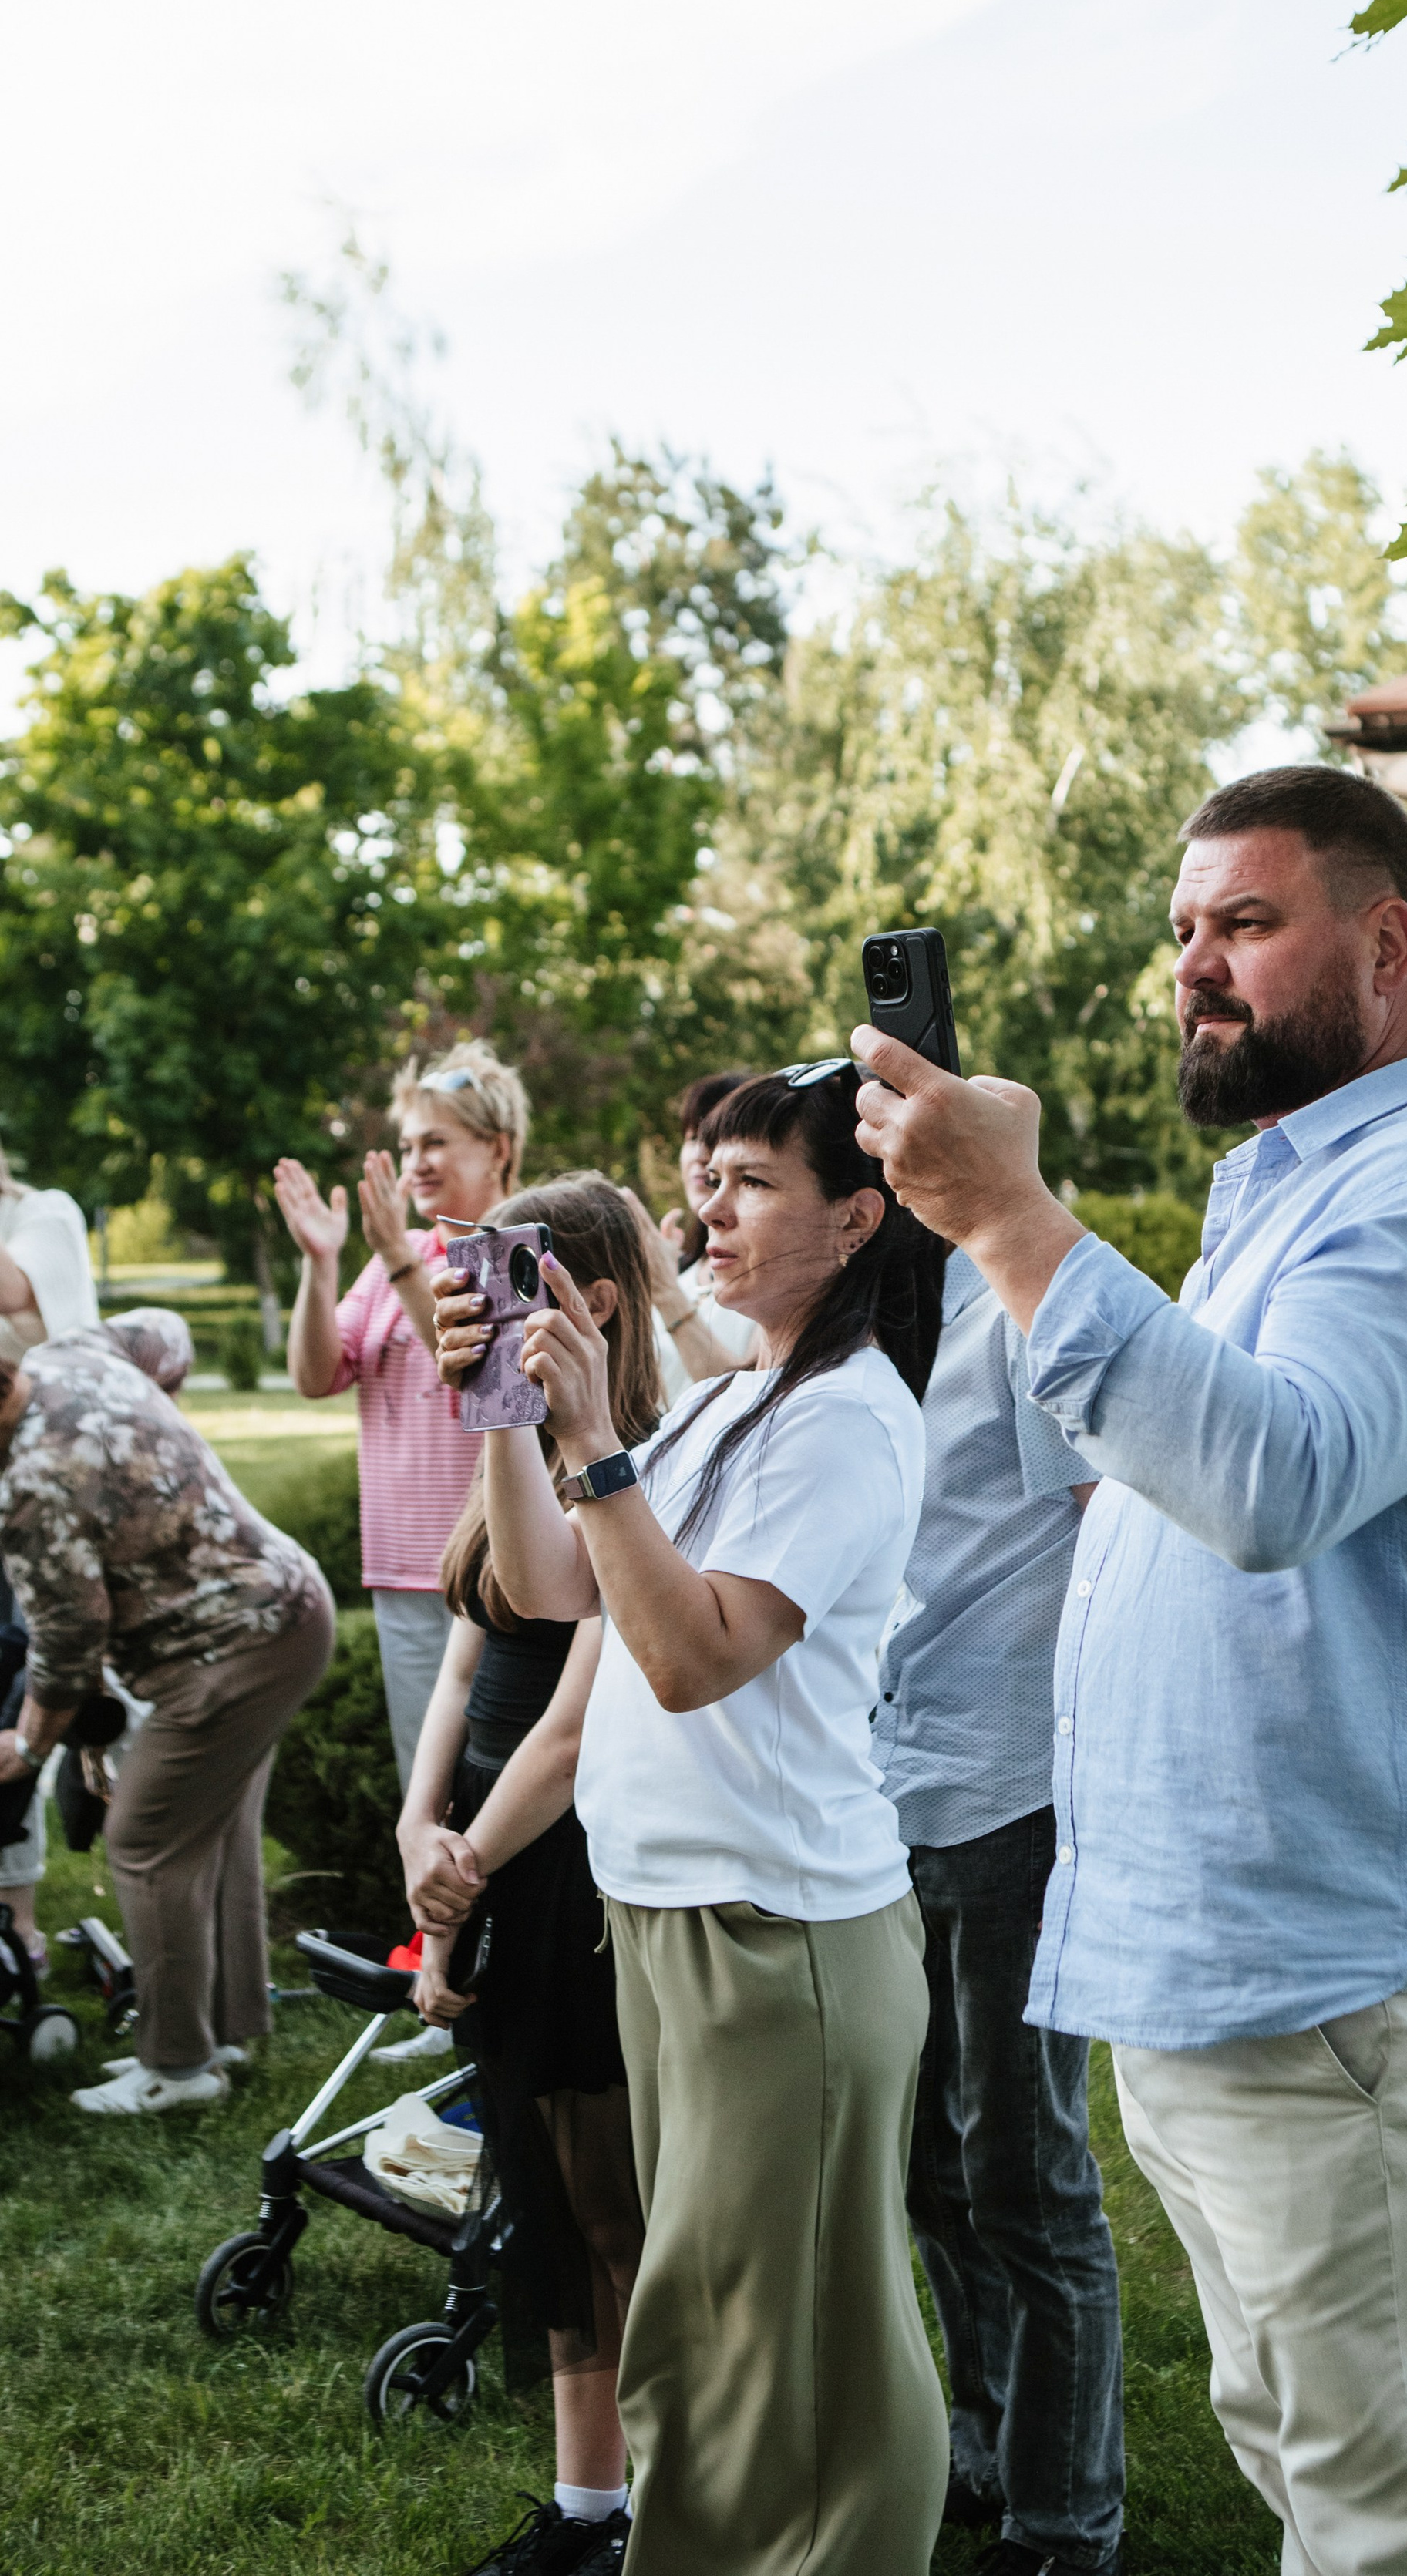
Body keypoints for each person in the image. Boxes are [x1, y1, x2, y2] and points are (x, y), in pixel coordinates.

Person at [852, 764, 1407, 2576]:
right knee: (1307, 2463)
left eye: (1244, 925)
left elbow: (1272, 1478)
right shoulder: (1275, 1193)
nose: (1196, 966)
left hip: (1336, 1969)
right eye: (1183, 930)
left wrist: (1013, 1225)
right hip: (1211, 1969)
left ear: (1386, 942)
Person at [436, 1061, 951, 2576]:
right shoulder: (737, 1399)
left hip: (772, 1936)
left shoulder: (843, 1422)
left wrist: (593, 1435)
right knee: (734, 2328)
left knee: (763, 2344)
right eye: (700, 1180)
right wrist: (505, 1412)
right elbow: (550, 1587)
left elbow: (688, 1655)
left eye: (746, 1184)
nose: (702, 1212)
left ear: (857, 1219)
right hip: (672, 1924)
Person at [399, 1175, 658, 2576]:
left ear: (593, 1302)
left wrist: (469, 1868)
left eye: (511, 1283)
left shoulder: (634, 1466)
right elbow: (461, 1665)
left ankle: (629, 2512)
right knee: (540, 2206)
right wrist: (416, 1834)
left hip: (559, 1870)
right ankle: (584, 2508)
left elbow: (570, 1727)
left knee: (599, 2207)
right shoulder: (505, 1459)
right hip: (477, 1854)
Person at [872, 1255, 1125, 2576]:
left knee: (1028, 2175)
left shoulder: (1022, 1326)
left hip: (1015, 1796)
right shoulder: (865, 1337)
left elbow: (1118, 1540)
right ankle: (989, 2432)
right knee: (926, 2168)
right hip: (889, 1797)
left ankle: (1065, 2519)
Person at [0, 1307, 335, 2117]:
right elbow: (164, 1332)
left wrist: (26, 1743)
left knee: (145, 1838)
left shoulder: (28, 1486)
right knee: (207, 1832)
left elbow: (71, 1643)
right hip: (286, 1605)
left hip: (230, 1654)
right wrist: (163, 1427)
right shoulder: (68, 1354)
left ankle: (179, 2069)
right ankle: (220, 2033)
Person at [275, 1038, 530, 1795]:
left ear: (498, 1149)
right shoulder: (404, 1250)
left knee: (486, 1784)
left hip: (490, 1572)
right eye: (408, 1144)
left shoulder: (515, 1247)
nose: (416, 1161)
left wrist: (395, 1259)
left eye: (437, 1143)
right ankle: (434, 1921)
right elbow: (317, 1375)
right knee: (423, 1786)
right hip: (400, 1570)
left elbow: (488, 1382)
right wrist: (321, 1265)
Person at [0, 1142, 100, 1969]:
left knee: (28, 1688)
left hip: (46, 1496)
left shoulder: (46, 1214)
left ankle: (19, 1922)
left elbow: (18, 1292)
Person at [645, 1071, 759, 1401]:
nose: (699, 1154)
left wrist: (666, 1293)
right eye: (692, 1137)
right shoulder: (675, 1267)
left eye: (715, 1137)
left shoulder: (774, 1276)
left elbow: (750, 1401)